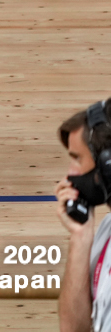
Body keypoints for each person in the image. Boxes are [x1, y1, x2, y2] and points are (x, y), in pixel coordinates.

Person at [56, 100, 111, 332]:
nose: (71, 172)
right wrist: (80, 237)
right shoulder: (107, 228)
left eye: (77, 158)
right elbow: (74, 328)